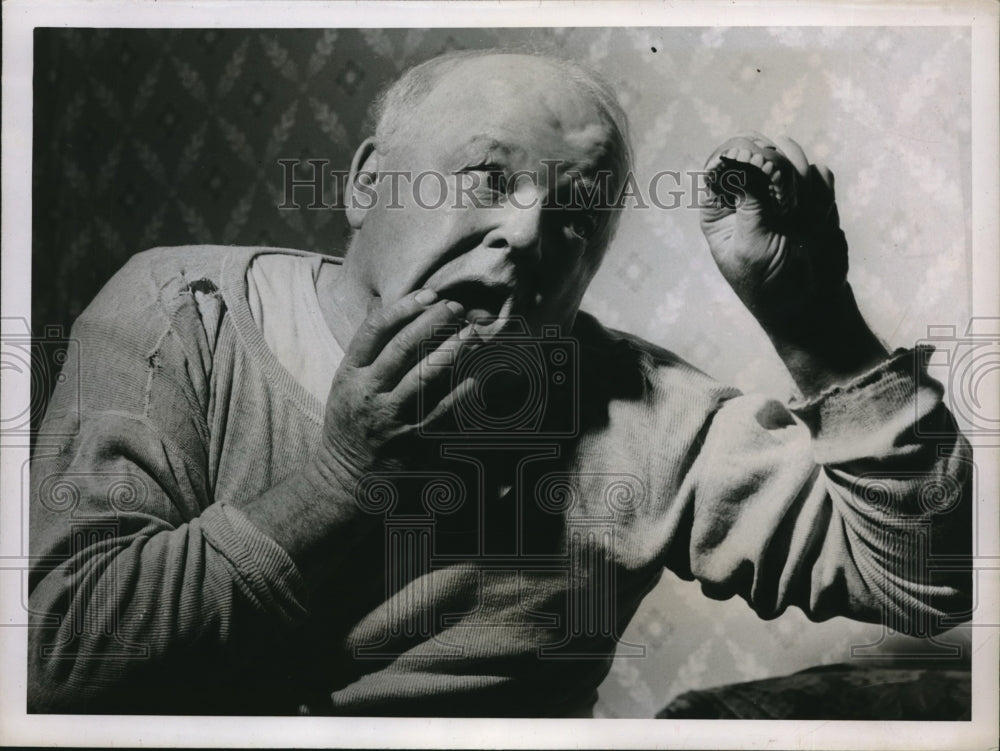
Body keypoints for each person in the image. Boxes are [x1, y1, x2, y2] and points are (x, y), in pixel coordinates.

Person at [28, 49, 971, 716]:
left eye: (574, 216)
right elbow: (55, 663)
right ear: (363, 183)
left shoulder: (636, 408)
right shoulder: (181, 308)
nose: (526, 235)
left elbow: (930, 581)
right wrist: (340, 482)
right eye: (486, 177)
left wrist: (815, 324)